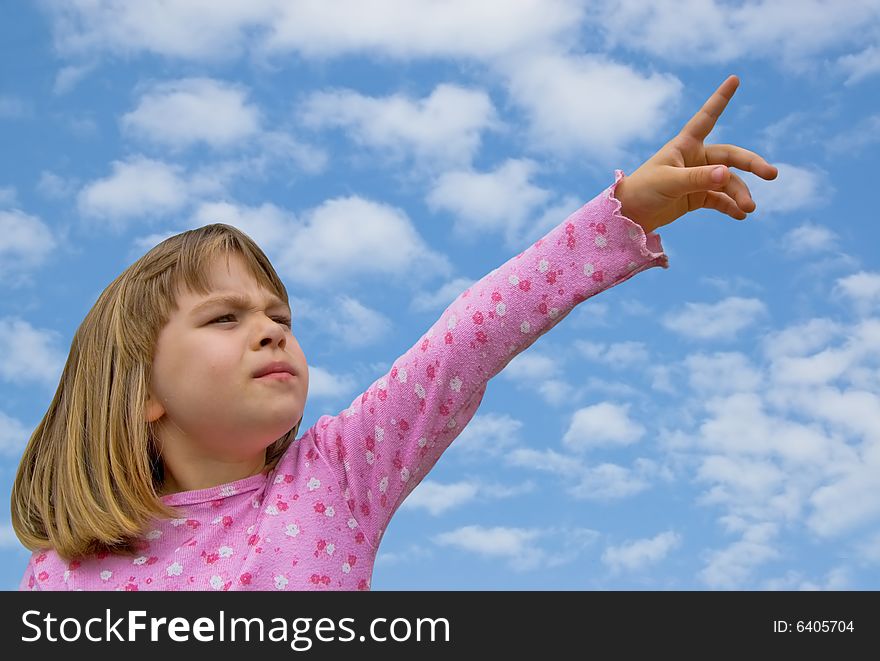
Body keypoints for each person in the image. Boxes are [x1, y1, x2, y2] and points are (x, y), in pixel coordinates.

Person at [12, 75, 776, 590]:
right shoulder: (64, 571)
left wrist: (620, 215)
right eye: (225, 317)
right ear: (142, 390)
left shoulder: (337, 473)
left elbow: (467, 339)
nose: (271, 333)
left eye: (281, 317)